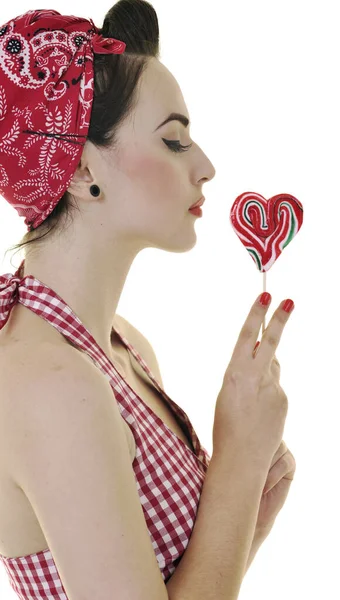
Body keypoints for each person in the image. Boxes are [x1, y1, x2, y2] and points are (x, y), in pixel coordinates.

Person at [0, 3, 216, 598]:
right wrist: (242, 466)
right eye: (174, 141)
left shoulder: (124, 348)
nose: (206, 166)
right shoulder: (50, 382)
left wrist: (255, 508)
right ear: (79, 171)